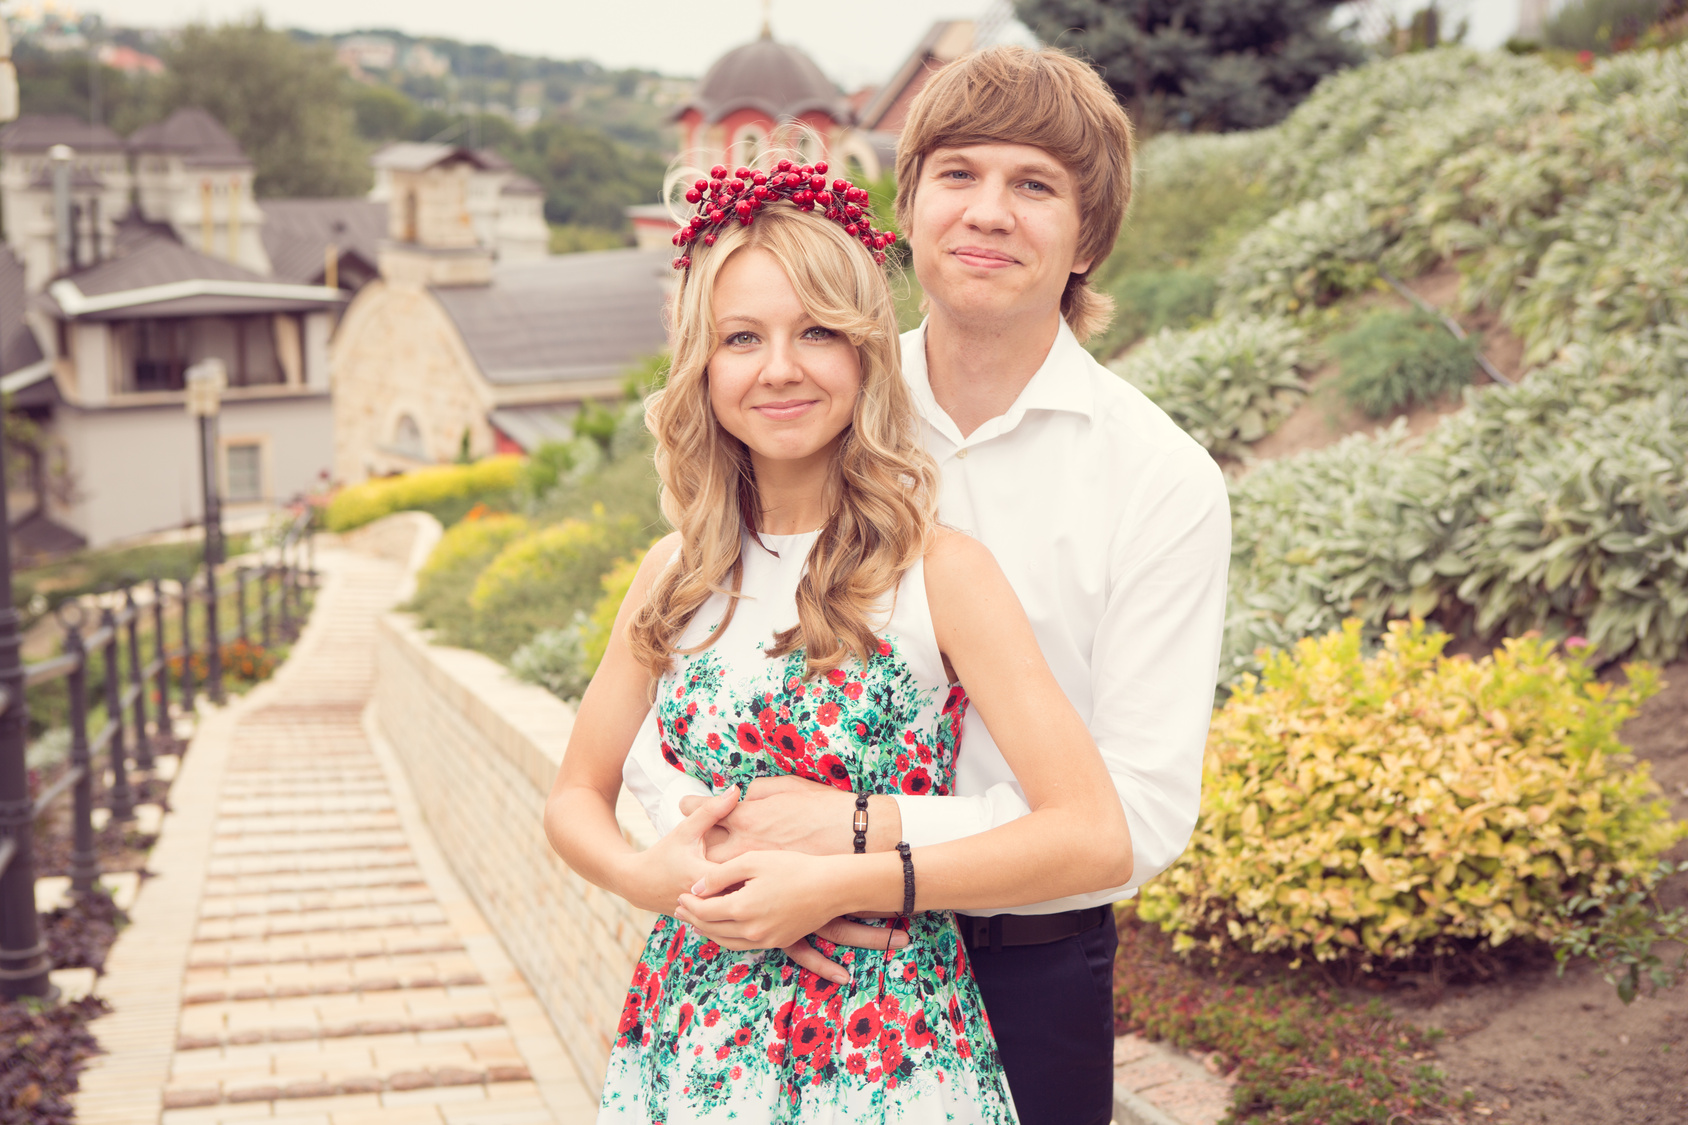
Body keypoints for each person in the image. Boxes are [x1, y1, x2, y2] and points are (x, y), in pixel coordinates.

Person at [622, 46, 1232, 1125]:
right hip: (778, 959)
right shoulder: (808, 387)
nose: (988, 212)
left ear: (1087, 234)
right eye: (957, 174)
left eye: (1034, 184)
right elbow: (684, 668)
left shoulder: (1159, 480)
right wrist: (724, 845)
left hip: (1028, 973)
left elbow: (1131, 817)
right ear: (906, 207)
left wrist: (858, 841)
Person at [545, 166, 1135, 1122]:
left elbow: (1093, 836)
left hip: (886, 1049)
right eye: (743, 337)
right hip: (697, 1036)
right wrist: (644, 874)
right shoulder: (674, 573)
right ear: (701, 364)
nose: (780, 367)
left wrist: (846, 880)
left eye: (817, 331)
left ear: (868, 353)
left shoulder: (941, 570)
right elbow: (575, 793)